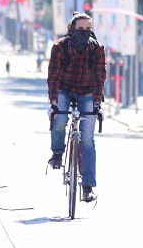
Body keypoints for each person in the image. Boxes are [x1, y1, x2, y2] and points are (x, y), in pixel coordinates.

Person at [46, 12, 106, 203]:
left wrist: (97, 104)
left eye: (88, 29)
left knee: (87, 138)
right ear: (71, 30)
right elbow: (53, 77)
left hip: (86, 91)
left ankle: (87, 186)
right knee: (60, 119)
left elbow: (99, 78)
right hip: (64, 90)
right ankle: (57, 153)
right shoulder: (59, 47)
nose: (84, 33)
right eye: (80, 29)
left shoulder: (97, 49)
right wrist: (54, 103)